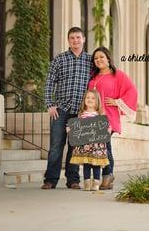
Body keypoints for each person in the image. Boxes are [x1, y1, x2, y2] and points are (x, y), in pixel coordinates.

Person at [41, 27, 92, 189]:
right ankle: (50, 179)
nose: (75, 41)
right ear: (68, 40)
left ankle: (73, 180)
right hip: (61, 109)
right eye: (72, 38)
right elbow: (50, 81)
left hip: (80, 111)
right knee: (56, 145)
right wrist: (50, 104)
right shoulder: (59, 59)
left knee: (75, 147)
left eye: (78, 37)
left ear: (83, 39)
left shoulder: (90, 61)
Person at [88, 46, 138, 190]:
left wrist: (117, 102)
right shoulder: (93, 77)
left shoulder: (118, 75)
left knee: (104, 145)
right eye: (96, 58)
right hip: (93, 117)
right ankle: (107, 176)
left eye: (101, 57)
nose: (99, 60)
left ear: (108, 59)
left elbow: (132, 91)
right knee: (103, 147)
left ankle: (108, 174)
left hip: (109, 116)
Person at [67, 89, 110, 191]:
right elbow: (77, 127)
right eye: (88, 97)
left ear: (97, 101)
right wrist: (70, 129)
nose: (90, 99)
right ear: (84, 100)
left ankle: (96, 183)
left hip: (96, 145)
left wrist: (108, 129)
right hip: (84, 144)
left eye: (93, 98)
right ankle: (86, 183)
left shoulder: (99, 115)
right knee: (86, 163)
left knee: (96, 164)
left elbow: (105, 126)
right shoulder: (81, 114)